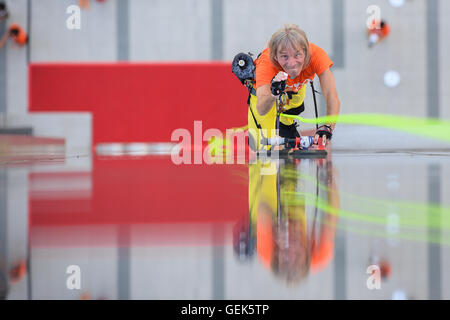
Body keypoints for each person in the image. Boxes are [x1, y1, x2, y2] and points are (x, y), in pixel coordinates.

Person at [247, 24, 340, 151]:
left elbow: (331, 97)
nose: (292, 64)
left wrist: (328, 126)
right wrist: (274, 93)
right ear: (275, 56)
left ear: (306, 52)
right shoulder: (266, 64)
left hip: (293, 92)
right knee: (265, 149)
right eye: (284, 56)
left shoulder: (316, 55)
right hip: (268, 95)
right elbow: (262, 109)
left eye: (297, 55)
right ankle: (278, 127)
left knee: (295, 105)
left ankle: (286, 123)